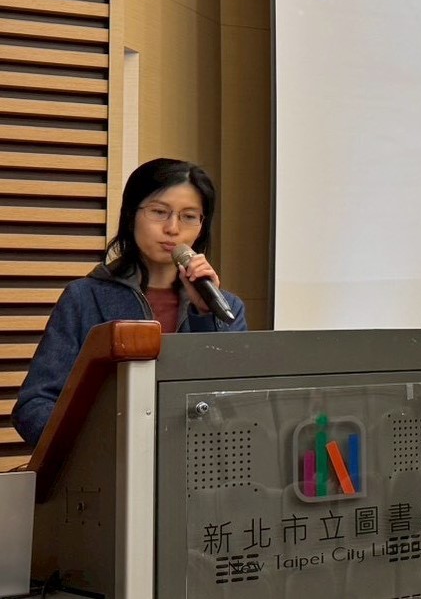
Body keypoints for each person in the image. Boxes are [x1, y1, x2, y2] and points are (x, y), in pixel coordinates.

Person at [14, 158, 248, 446]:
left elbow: (235, 407)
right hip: (106, 463)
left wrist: (205, 314)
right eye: (159, 212)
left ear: (202, 226)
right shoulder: (85, 297)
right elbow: (34, 406)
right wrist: (102, 447)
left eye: (189, 216)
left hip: (194, 466)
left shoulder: (227, 308)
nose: (173, 228)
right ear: (130, 215)